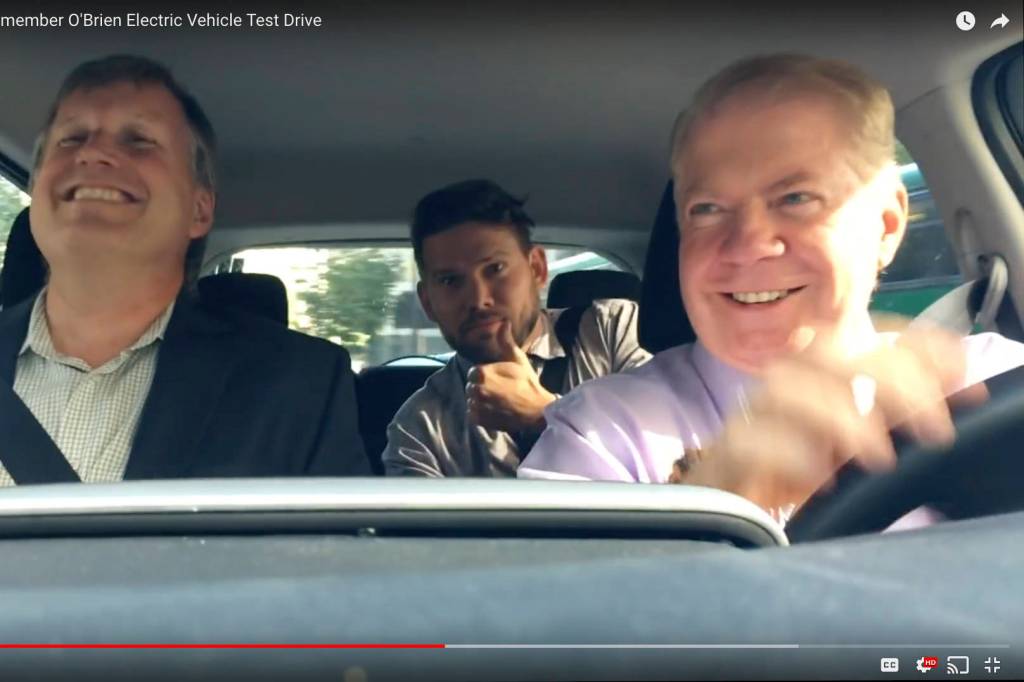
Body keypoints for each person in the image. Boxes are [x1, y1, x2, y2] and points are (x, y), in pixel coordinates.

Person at [518, 54, 1024, 518]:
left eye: (796, 197)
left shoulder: (992, 383)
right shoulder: (603, 435)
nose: (747, 243)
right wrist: (717, 504)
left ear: (887, 225)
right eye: (708, 209)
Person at [0, 55, 369, 485]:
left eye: (138, 140)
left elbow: (335, 552)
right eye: (71, 137)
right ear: (37, 189)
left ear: (199, 209)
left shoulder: (300, 385)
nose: (93, 152)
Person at [382, 179, 651, 477]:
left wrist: (544, 415)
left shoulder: (613, 330)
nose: (479, 299)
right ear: (428, 302)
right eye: (450, 281)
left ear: (537, 268)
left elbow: (676, 460)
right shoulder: (419, 429)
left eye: (495, 269)